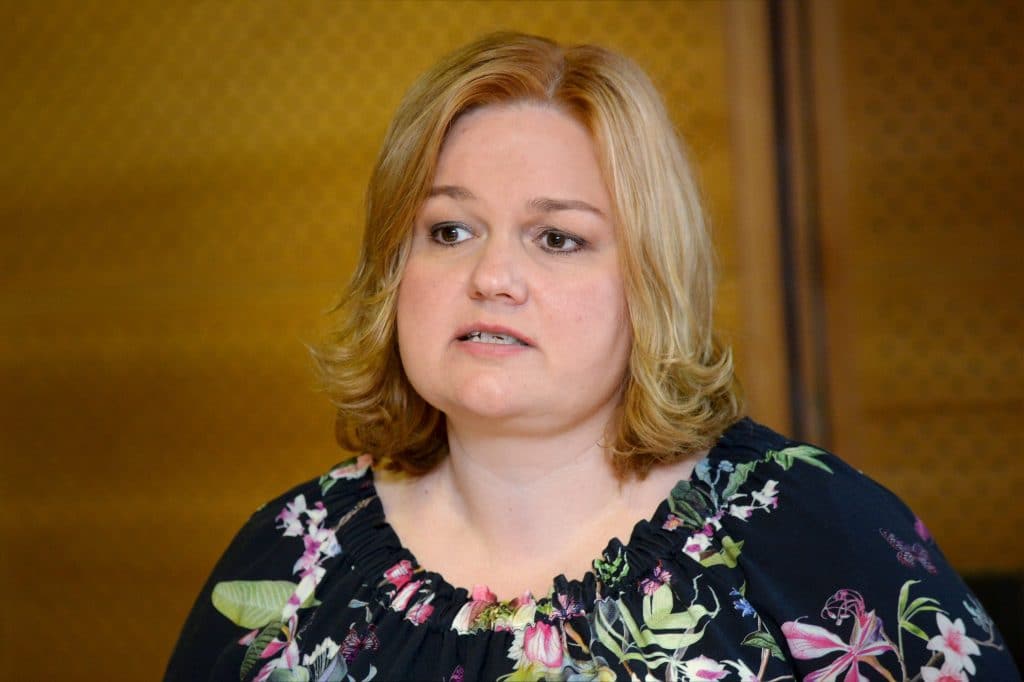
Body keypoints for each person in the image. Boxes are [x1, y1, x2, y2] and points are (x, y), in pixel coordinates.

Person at [165, 32, 1019, 682]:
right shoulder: (287, 563)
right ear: (395, 270)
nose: (492, 277)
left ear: (649, 279)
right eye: (450, 231)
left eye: (558, 238)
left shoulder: (815, 531)